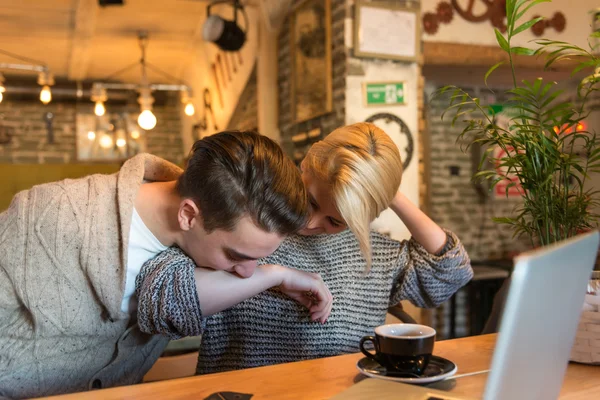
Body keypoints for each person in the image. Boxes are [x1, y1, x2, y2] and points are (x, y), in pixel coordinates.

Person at [0, 130, 332, 399]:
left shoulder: (206, 226)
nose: (246, 271)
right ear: (188, 215)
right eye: (234, 256)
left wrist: (276, 274)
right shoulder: (50, 214)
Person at [137, 122, 473, 374]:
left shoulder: (378, 256)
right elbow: (163, 300)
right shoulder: (247, 228)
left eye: (335, 220)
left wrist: (386, 188)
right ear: (304, 167)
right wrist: (272, 275)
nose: (311, 223)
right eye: (310, 201)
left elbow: (449, 272)